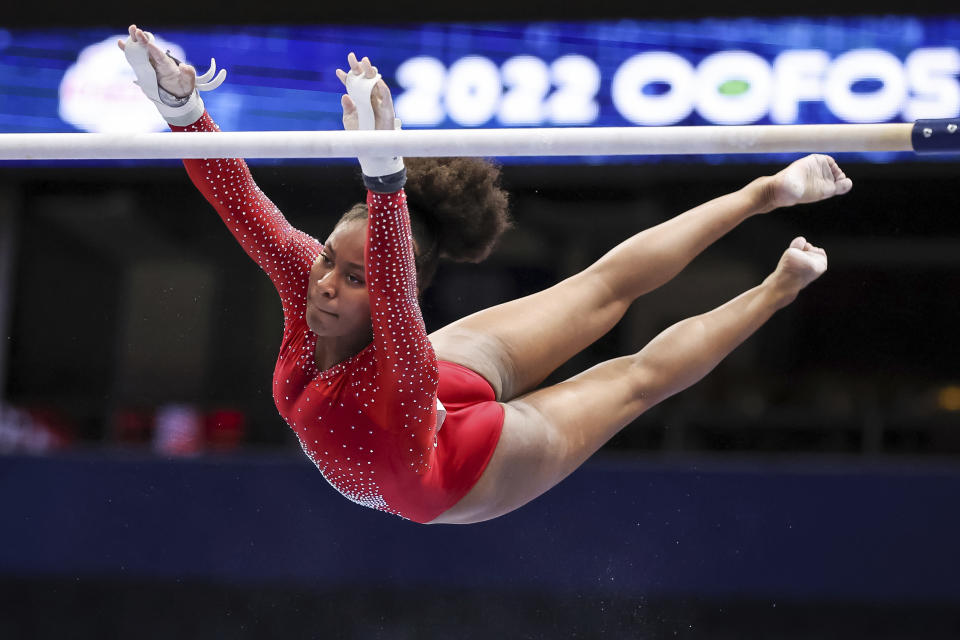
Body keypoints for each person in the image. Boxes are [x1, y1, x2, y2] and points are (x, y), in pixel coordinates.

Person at [119, 25, 852, 525]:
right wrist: (183, 110)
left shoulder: (404, 351)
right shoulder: (309, 287)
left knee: (612, 324)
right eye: (325, 263)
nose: (324, 283)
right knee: (622, 360)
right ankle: (777, 284)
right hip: (431, 442)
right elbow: (246, 206)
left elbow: (397, 284)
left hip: (460, 461)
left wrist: (384, 173)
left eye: (352, 277)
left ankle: (764, 195)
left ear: (387, 301)